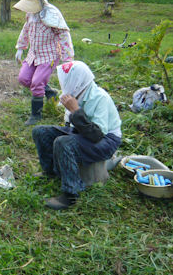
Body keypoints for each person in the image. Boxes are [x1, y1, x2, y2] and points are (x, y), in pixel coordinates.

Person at [32, 61, 122, 210]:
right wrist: (73, 114)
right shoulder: (79, 94)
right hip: (83, 132)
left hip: (106, 140)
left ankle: (71, 194)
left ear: (78, 82)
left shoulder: (100, 98)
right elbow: (72, 127)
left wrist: (75, 111)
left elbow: (97, 135)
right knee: (40, 131)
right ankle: (50, 171)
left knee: (63, 142)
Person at [13, 0, 74, 125]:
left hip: (49, 55)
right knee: (24, 78)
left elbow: (64, 35)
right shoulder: (30, 14)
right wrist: (21, 47)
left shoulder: (51, 14)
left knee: (37, 82)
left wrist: (67, 58)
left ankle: (36, 114)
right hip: (33, 54)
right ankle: (49, 91)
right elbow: (26, 29)